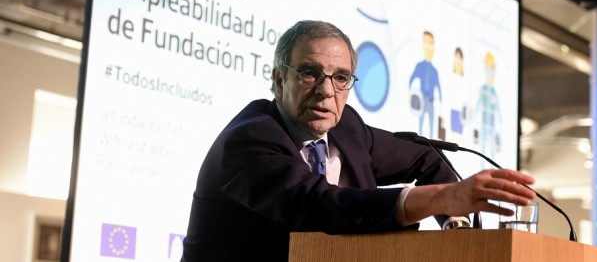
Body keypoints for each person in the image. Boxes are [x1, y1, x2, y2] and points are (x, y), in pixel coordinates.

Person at [181, 20, 535, 261]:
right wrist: (440, 197)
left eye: (341, 78)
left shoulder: (347, 128)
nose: (325, 91)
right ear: (277, 79)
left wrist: (456, 227)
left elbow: (425, 159)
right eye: (309, 74)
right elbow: (317, 206)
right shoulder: (249, 139)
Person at [408, 31, 442, 139]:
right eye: (426, 44)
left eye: (431, 45)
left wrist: (441, 100)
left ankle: (432, 144)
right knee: (421, 121)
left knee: (432, 123)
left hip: (431, 101)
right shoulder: (420, 66)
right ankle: (420, 141)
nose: (428, 48)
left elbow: (438, 87)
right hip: (422, 99)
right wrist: (409, 90)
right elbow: (412, 78)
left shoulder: (435, 70)